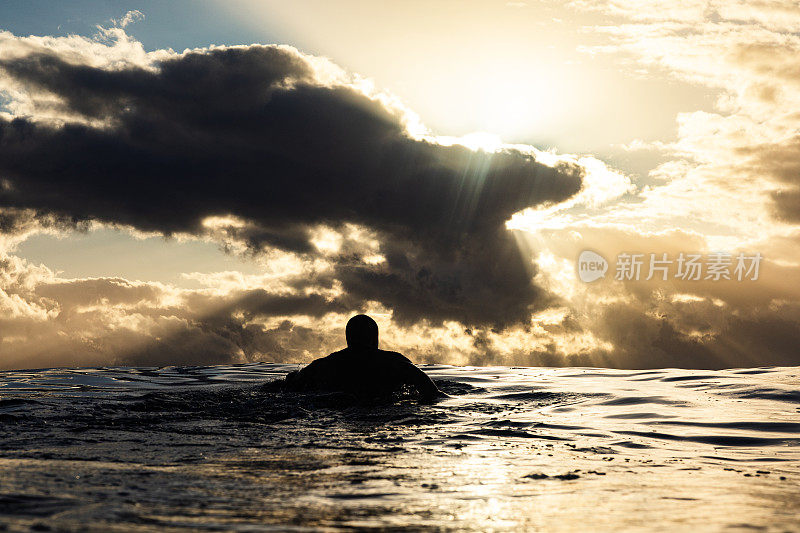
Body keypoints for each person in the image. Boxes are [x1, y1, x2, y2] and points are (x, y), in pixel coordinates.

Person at [284, 314, 444, 402]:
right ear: (375, 338)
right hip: (382, 406)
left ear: (348, 337)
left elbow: (291, 385)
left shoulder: (325, 364)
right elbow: (431, 391)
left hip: (339, 406)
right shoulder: (396, 363)